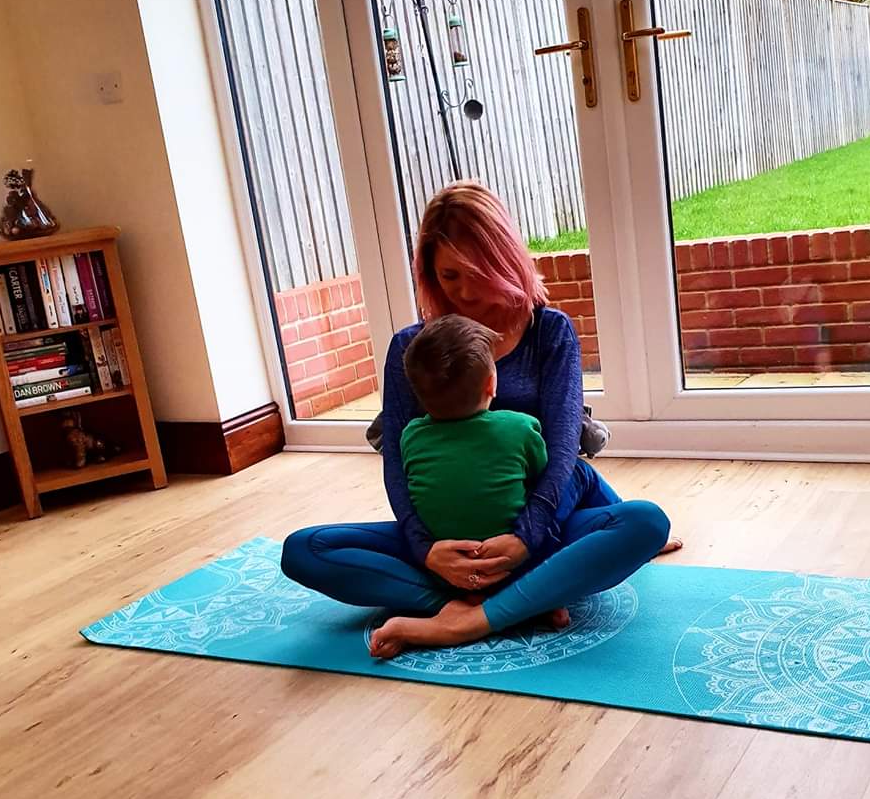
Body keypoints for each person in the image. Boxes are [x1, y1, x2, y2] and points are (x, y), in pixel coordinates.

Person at [280, 181, 675, 658]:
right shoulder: (410, 348)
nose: (465, 292)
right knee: (303, 550)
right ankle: (501, 602)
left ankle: (471, 618)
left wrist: (524, 538)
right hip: (445, 545)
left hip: (535, 534)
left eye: (477, 273)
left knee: (645, 522)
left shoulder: (550, 332)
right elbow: (397, 467)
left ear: (504, 260)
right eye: (449, 276)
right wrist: (427, 549)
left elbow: (563, 452)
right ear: (430, 273)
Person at [400, 313, 549, 546]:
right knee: (580, 474)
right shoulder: (521, 428)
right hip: (513, 543)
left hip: (444, 549)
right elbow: (542, 474)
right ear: (491, 384)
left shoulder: (411, 437)